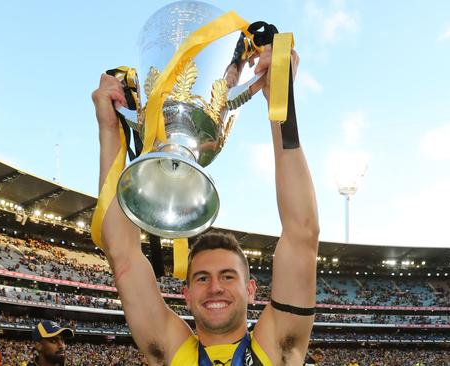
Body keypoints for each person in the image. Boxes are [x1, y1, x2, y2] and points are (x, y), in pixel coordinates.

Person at [92, 42, 319, 365]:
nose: (215, 287)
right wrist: (110, 129)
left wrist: (281, 103)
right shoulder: (172, 350)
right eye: (202, 278)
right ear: (185, 294)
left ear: (251, 289)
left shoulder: (277, 346)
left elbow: (302, 234)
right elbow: (123, 256)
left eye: (228, 276)